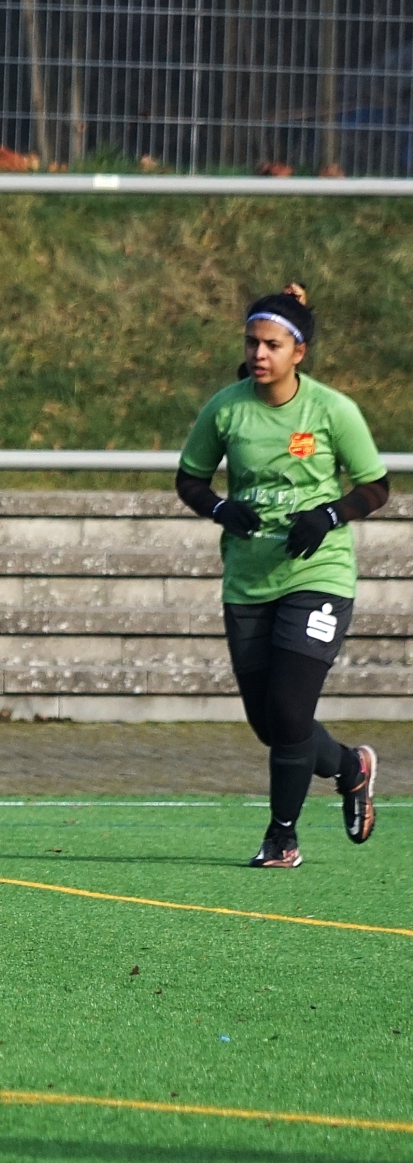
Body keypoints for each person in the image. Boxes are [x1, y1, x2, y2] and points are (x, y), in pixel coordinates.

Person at [176, 283, 384, 868]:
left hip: (318, 576)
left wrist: (329, 515)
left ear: (299, 352)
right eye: (252, 342)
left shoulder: (331, 410)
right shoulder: (226, 408)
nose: (259, 353)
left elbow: (376, 486)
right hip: (248, 582)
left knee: (291, 710)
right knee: (271, 724)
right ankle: (350, 767)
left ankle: (282, 837)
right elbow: (190, 479)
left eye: (272, 344)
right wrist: (220, 508)